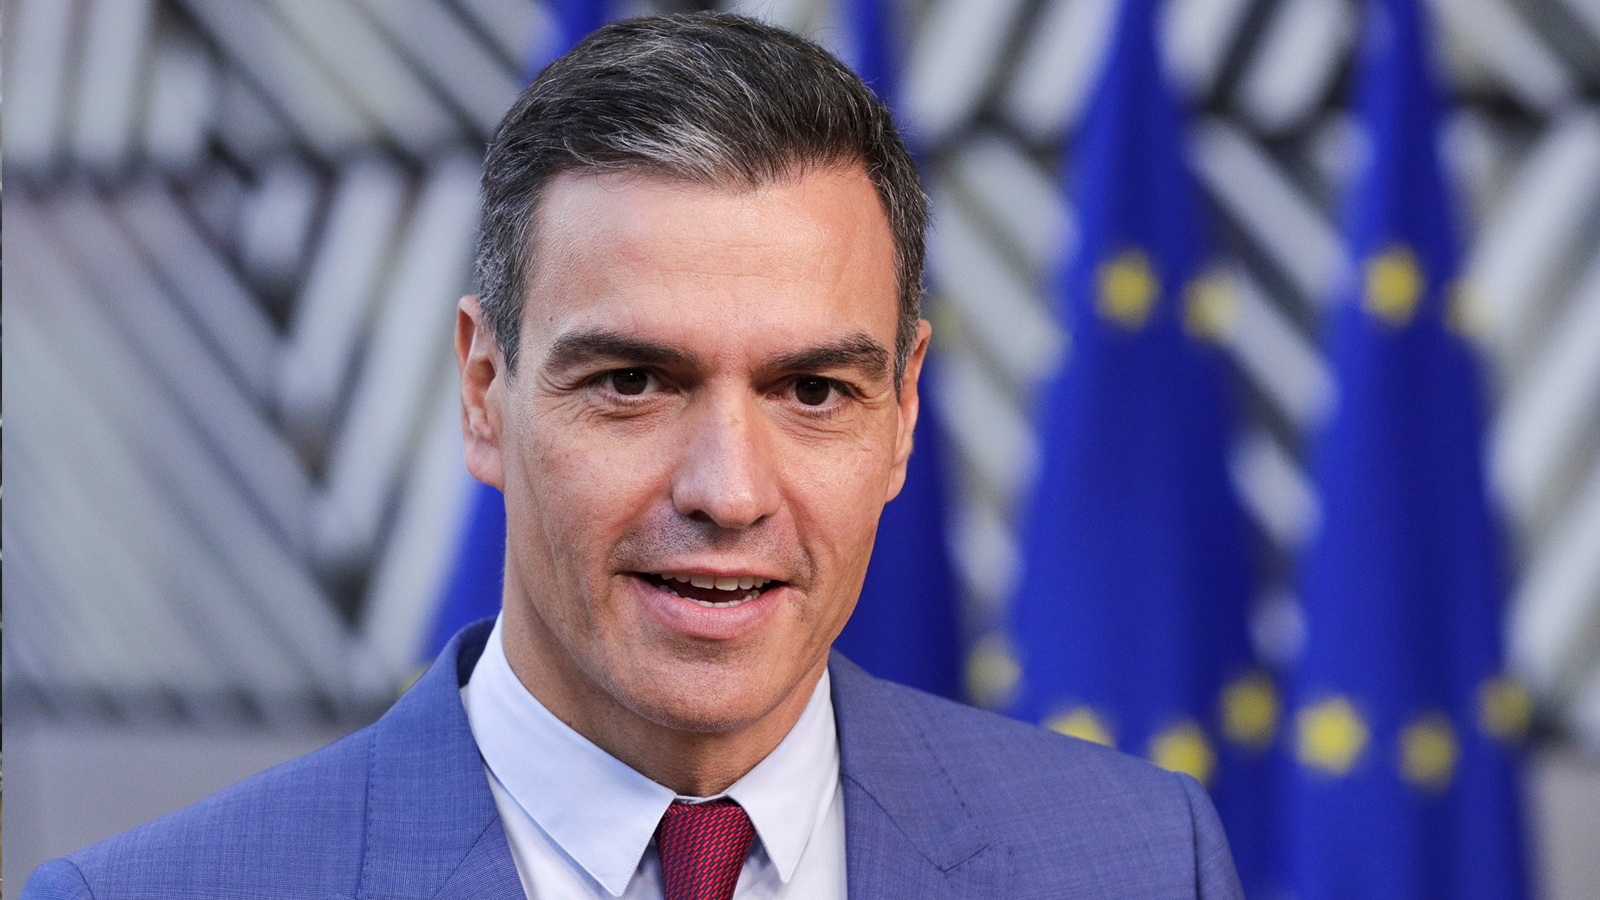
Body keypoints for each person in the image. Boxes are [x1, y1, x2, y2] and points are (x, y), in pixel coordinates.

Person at [24, 13, 1242, 900]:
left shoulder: (1139, 861)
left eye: (813, 391)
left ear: (903, 411)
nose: (728, 492)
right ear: (484, 391)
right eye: (632, 383)